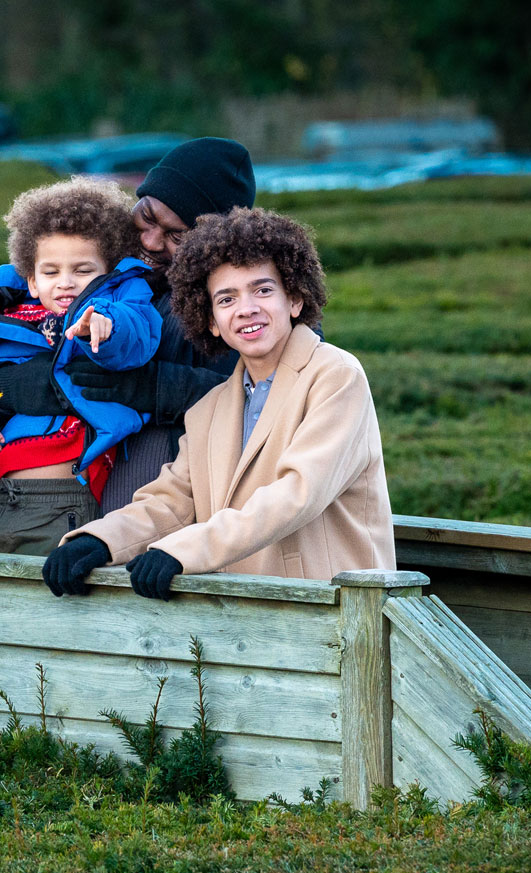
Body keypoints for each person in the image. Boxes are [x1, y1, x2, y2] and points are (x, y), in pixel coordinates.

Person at [41, 208, 395, 599]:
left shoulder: (335, 376)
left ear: (294, 299)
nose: (246, 308)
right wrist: (98, 541)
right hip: (246, 612)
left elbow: (298, 493)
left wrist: (184, 551)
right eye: (226, 299)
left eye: (263, 290)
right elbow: (172, 502)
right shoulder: (209, 407)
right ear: (210, 320)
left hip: (333, 607)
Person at [0, 138, 257, 513]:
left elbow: (267, 397)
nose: (150, 241)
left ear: (216, 244)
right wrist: (3, 385)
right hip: (35, 495)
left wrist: (159, 388)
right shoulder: (84, 264)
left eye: (177, 235)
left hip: (161, 506)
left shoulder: (239, 298)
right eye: (147, 217)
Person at [0, 177, 163, 555]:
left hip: (65, 494)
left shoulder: (114, 306)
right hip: (0, 493)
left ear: (108, 273)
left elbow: (137, 335)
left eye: (83, 270)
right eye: (51, 272)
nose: (66, 283)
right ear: (31, 280)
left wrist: (105, 326)